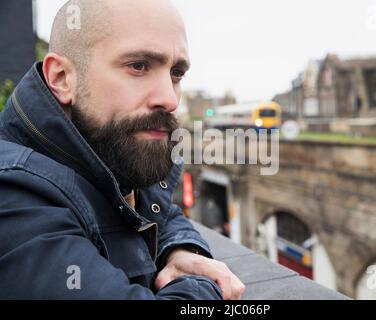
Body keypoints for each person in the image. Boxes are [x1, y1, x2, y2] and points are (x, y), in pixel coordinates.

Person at [0, 0, 245, 300]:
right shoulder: (14, 194)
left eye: (176, 74)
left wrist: (180, 249)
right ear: (62, 78)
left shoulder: (109, 154)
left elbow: (160, 211)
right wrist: (204, 286)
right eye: (138, 66)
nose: (169, 98)